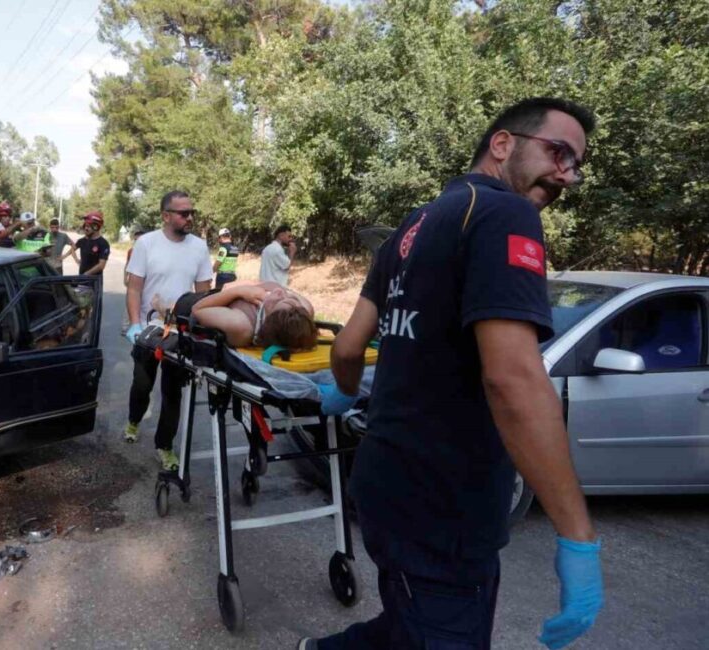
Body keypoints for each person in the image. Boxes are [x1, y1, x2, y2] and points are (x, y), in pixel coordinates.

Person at [309, 97, 602, 650]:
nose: (567, 173)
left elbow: (348, 345)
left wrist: (343, 394)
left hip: (386, 486)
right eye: (558, 152)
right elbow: (512, 379)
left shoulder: (412, 226)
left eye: (576, 164)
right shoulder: (506, 214)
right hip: (442, 506)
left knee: (409, 621)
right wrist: (577, 536)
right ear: (502, 144)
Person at [123, 192, 212, 469]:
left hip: (180, 332)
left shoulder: (199, 247)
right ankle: (134, 420)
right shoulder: (146, 244)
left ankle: (165, 446)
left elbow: (204, 295)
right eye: (183, 213)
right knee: (142, 384)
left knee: (172, 393)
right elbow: (134, 287)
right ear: (165, 215)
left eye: (191, 212)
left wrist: (201, 331)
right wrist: (134, 324)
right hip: (150, 328)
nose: (189, 218)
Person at [189, 281, 317, 350]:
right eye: (291, 297)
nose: (280, 292)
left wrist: (239, 291)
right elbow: (275, 287)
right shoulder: (304, 308)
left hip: (198, 302)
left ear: (269, 320)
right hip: (223, 295)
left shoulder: (241, 326)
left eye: (279, 300)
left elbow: (197, 308)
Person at [77, 211, 110, 276]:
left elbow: (101, 265)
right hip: (81, 280)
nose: (85, 228)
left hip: (94, 283)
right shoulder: (85, 240)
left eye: (88, 226)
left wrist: (86, 274)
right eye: (85, 226)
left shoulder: (103, 243)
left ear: (96, 227)